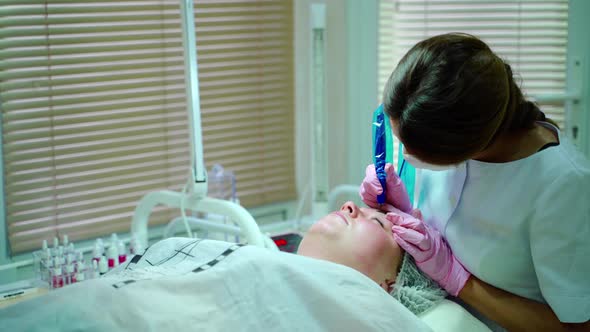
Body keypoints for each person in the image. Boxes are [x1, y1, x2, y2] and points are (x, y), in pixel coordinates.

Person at [360, 33, 590, 331]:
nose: (405, 154)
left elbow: (576, 328)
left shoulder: (563, 185)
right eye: (401, 141)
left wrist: (459, 280)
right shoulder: (449, 134)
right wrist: (397, 206)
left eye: (415, 147)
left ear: (469, 146)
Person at [1, 202, 440, 332]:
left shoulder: (372, 312)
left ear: (390, 285)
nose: (351, 204)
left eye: (378, 221)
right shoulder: (260, 261)